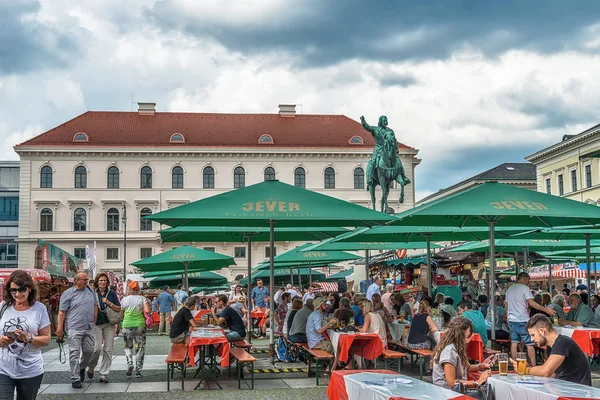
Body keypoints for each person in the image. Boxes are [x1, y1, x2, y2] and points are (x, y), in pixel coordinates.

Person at [0, 270, 51, 399]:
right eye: (13, 291)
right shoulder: (3, 307)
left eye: (21, 290)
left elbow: (46, 339)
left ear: (29, 289)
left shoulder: (39, 309)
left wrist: (29, 338)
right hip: (3, 368)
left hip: (30, 370)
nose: (17, 294)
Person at [431, 316, 494, 394]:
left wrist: (481, 366)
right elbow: (452, 383)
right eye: (470, 333)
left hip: (454, 391)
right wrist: (477, 382)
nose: (472, 336)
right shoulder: (450, 352)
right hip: (446, 393)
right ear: (461, 334)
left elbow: (466, 368)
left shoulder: (457, 347)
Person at [57, 273, 98, 389]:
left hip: (89, 326)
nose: (87, 281)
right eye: (84, 280)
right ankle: (75, 378)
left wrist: (94, 318)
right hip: (74, 327)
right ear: (77, 281)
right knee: (74, 353)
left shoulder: (91, 291)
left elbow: (95, 305)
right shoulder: (68, 293)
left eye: (87, 279)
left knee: (89, 351)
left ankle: (81, 367)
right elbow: (62, 312)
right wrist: (60, 328)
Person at [506, 272, 556, 366]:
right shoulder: (524, 288)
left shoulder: (510, 289)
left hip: (512, 319)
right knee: (529, 343)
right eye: (528, 279)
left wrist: (508, 317)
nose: (528, 282)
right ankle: (533, 365)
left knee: (514, 343)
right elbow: (531, 303)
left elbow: (506, 305)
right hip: (522, 319)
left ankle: (515, 365)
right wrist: (545, 309)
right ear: (523, 278)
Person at [526, 314, 592, 385]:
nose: (532, 339)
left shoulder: (562, 342)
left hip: (578, 390)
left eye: (533, 335)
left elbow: (545, 371)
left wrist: (526, 369)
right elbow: (552, 374)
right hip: (567, 387)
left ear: (542, 331)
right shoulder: (551, 347)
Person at [88, 273, 121, 384]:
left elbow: (118, 308)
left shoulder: (111, 293)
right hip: (96, 324)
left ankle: (104, 373)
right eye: (101, 280)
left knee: (108, 349)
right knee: (96, 348)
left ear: (107, 282)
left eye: (105, 280)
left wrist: (109, 303)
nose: (103, 282)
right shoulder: (92, 293)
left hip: (109, 323)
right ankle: (91, 366)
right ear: (97, 282)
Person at [120, 281, 150, 378]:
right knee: (140, 347)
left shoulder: (124, 299)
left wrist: (118, 325)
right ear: (138, 289)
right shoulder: (142, 299)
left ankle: (130, 363)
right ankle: (138, 370)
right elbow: (147, 311)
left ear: (129, 289)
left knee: (128, 346)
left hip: (127, 324)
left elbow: (121, 315)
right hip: (139, 326)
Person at [306, 297, 338, 368]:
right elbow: (319, 330)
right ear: (320, 305)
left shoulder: (317, 314)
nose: (326, 305)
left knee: (333, 345)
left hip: (312, 341)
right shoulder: (317, 315)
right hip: (315, 342)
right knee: (334, 346)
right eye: (324, 304)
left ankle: (330, 366)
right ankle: (329, 368)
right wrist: (330, 322)